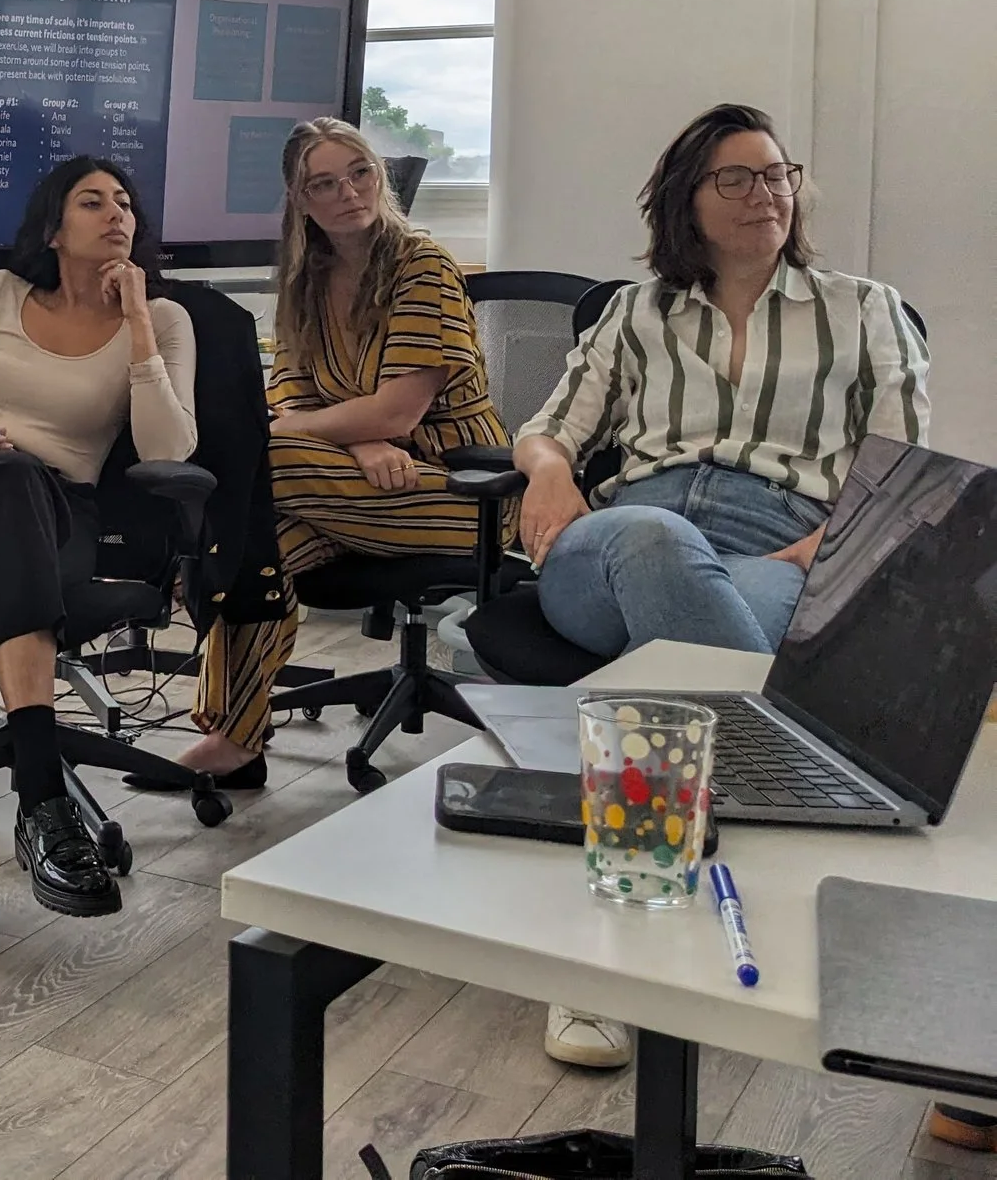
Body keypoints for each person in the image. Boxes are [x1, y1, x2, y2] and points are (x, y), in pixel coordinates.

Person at [513, 101, 930, 1071]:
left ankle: (614, 955)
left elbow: (902, 472)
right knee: (656, 540)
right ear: (685, 199)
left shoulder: (864, 308)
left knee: (668, 665)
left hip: (779, 550)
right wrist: (546, 471)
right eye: (736, 178)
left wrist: (825, 547)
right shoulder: (634, 311)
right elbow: (550, 427)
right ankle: (790, 853)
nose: (765, 194)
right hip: (615, 539)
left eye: (777, 174)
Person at [0, 157, 200, 961]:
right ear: (54, 229)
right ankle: (41, 794)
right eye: (92, 201)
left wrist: (133, 325)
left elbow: (169, 450)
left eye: (125, 201)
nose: (116, 213)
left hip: (56, 514)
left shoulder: (162, 321)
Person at [179, 119, 506, 785]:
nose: (348, 192)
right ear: (302, 201)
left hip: (463, 490)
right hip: (354, 486)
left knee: (261, 463)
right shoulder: (305, 277)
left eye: (359, 171)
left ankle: (231, 732)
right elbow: (291, 395)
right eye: (323, 183)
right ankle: (235, 735)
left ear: (378, 173)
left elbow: (398, 409)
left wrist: (355, 431)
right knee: (261, 545)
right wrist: (358, 441)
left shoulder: (423, 264)